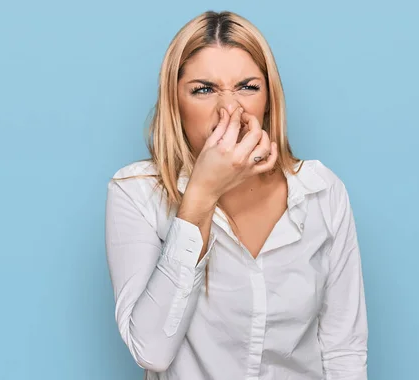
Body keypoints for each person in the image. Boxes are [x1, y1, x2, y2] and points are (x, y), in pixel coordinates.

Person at [105, 10, 368, 380]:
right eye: (204, 89)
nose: (230, 109)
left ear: (268, 99)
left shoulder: (322, 192)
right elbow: (152, 351)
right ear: (175, 103)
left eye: (247, 87)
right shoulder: (135, 193)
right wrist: (201, 193)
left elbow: (344, 349)